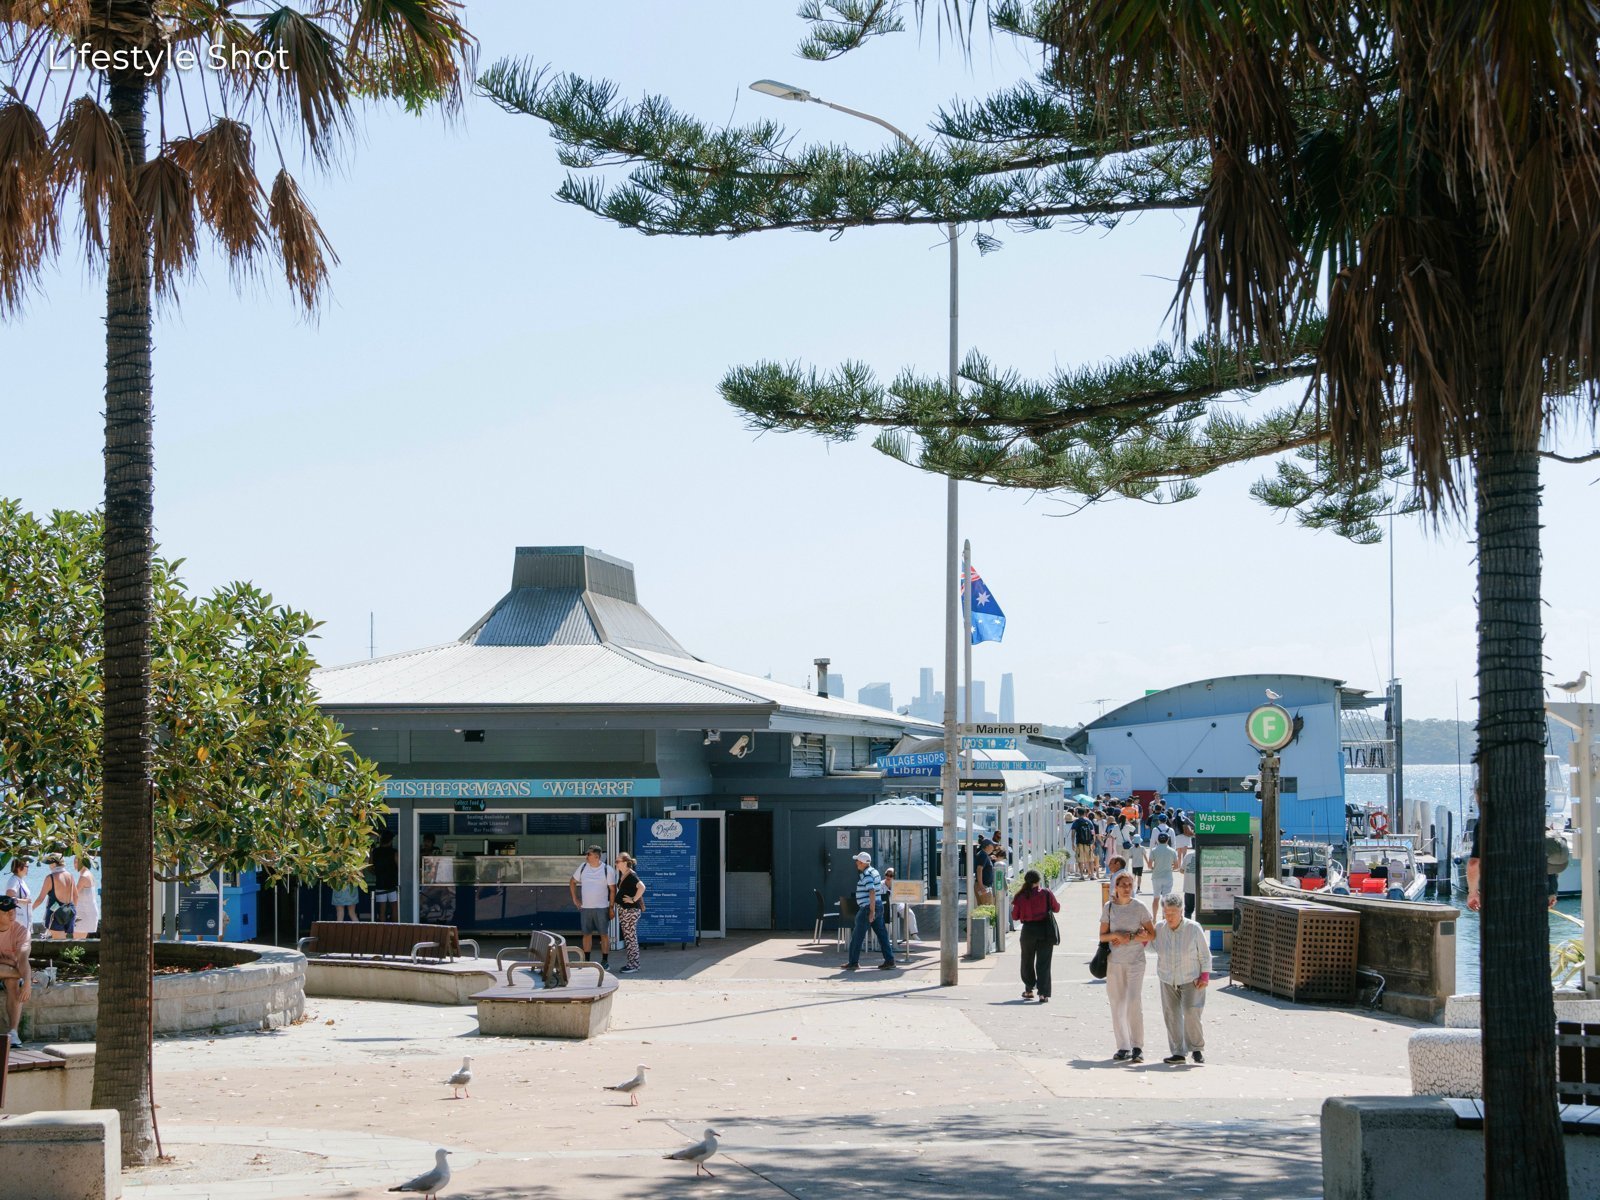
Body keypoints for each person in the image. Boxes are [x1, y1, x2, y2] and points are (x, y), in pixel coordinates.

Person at [1150, 892, 1212, 1063]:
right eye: (1166, 913)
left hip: (1191, 978)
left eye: (1173, 913)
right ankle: (1178, 1052)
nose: (1169, 917)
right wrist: (1142, 937)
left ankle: (1196, 1048)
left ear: (1181, 911)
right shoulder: (1160, 928)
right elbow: (1151, 947)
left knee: (1191, 1011)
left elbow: (1205, 954)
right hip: (1167, 978)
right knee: (1171, 1014)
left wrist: (1205, 976)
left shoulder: (1193, 928)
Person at [1100, 871, 1154, 1062]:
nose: (1126, 888)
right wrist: (1116, 936)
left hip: (1135, 961)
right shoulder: (1109, 908)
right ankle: (1123, 1046)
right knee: (1117, 1004)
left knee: (1133, 1002)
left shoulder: (1139, 907)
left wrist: (1129, 937)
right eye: (1123, 885)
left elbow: (1151, 934)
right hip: (1115, 962)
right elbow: (1102, 936)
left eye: (1130, 885)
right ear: (1116, 887)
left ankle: (1137, 1046)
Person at [1011, 869, 1061, 1002]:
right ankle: (1043, 994)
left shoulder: (1020, 896)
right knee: (1044, 963)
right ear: (1039, 881)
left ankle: (1029, 989)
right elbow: (1056, 908)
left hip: (1028, 931)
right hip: (1045, 930)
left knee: (1027, 961)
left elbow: (1015, 916)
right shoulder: (1046, 893)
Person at [568, 845, 618, 968]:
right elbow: (572, 881)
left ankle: (605, 961)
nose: (586, 856)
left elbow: (613, 890)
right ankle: (586, 961)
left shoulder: (607, 869)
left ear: (597, 857)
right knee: (586, 934)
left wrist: (611, 908)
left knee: (604, 935)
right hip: (586, 908)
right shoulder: (583, 867)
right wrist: (575, 899)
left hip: (602, 908)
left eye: (589, 854)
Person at [846, 851, 895, 971]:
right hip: (878, 905)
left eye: (858, 861)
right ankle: (890, 961)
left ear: (862, 863)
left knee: (857, 936)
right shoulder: (875, 871)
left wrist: (871, 911)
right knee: (882, 935)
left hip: (868, 908)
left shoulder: (866, 874)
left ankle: (853, 962)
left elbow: (871, 891)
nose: (856, 863)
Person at [0, 894, 30, 1046]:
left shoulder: (21, 931)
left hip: (9, 972)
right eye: (6, 911)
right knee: (15, 974)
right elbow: (17, 963)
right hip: (10, 968)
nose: (12, 914)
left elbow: (23, 959)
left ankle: (13, 1033)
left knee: (13, 982)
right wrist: (11, 963)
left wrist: (27, 982)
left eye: (13, 910)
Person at [614, 852, 646, 974]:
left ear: (625, 863)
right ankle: (632, 963)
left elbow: (642, 887)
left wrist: (633, 899)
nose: (616, 863)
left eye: (618, 861)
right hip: (626, 911)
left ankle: (634, 965)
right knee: (629, 938)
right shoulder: (624, 874)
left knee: (631, 938)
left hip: (630, 911)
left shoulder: (631, 875)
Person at [34, 853, 76, 939]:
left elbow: (40, 899)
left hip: (56, 913)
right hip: (69, 911)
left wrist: (30, 909)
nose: (49, 866)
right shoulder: (70, 876)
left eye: (49, 863)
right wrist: (72, 912)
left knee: (59, 943)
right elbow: (76, 896)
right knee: (64, 940)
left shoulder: (50, 878)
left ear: (54, 864)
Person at [369, 829, 399, 922]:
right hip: (392, 883)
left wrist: (377, 873)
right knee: (395, 908)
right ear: (390, 840)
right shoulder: (394, 852)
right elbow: (399, 867)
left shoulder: (375, 852)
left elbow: (370, 867)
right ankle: (395, 928)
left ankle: (383, 929)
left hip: (380, 883)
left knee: (382, 910)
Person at [73, 855, 99, 940]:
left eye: (77, 862)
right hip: (87, 911)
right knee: (79, 941)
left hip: (85, 913)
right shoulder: (88, 874)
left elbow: (75, 894)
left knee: (77, 942)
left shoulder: (84, 876)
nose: (75, 864)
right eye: (74, 862)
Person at [1147, 834, 1179, 904]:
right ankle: (1165, 912)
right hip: (1168, 877)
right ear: (1167, 840)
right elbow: (1176, 866)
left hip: (1156, 877)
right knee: (1166, 900)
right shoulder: (1172, 851)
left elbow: (1149, 865)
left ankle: (1154, 912)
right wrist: (1170, 868)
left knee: (1156, 898)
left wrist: (1154, 868)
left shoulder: (1153, 850)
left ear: (1158, 840)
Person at [1182, 848, 1198, 918]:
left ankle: (1187, 924)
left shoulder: (1188, 855)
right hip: (1202, 889)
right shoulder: (1206, 855)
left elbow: (1181, 870)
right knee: (1202, 912)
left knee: (1188, 910)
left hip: (1189, 888)